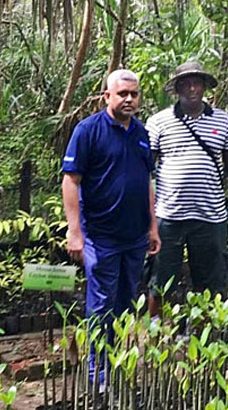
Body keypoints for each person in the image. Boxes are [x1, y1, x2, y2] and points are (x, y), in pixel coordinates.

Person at [62, 69, 160, 381]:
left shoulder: (142, 133)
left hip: (134, 236)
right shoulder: (88, 131)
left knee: (125, 302)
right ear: (107, 96)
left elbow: (146, 181)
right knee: (101, 303)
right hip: (101, 236)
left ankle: (116, 361)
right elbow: (70, 180)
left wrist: (153, 226)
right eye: (122, 94)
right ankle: (97, 371)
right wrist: (74, 230)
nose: (129, 99)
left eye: (134, 94)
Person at [146, 60, 228, 316]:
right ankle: (156, 338)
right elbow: (146, 171)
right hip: (169, 217)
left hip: (210, 217)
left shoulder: (223, 121)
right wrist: (149, 221)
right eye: (186, 83)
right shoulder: (159, 122)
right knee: (159, 281)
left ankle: (205, 341)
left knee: (211, 283)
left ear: (205, 87)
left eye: (197, 82)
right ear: (177, 88)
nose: (192, 88)